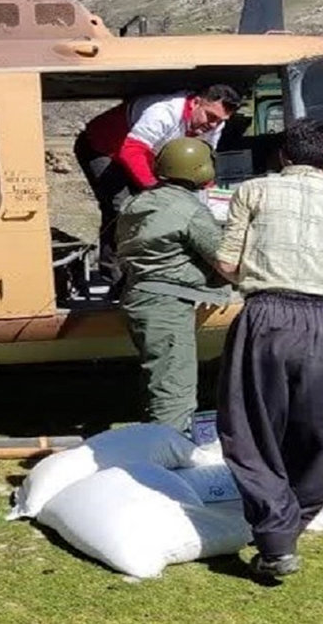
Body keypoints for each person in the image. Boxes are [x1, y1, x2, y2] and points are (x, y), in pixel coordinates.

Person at [213, 118, 323, 578]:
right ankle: (291, 523)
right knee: (314, 431)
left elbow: (226, 261)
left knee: (251, 428)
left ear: (283, 154)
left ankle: (276, 536)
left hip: (268, 314)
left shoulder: (254, 192)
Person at [74, 84, 242, 293]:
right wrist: (157, 190)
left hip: (149, 152)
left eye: (220, 120)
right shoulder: (164, 111)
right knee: (124, 209)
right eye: (210, 116)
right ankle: (116, 278)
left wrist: (211, 194)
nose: (213, 124)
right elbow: (132, 151)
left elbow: (201, 161)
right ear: (196, 102)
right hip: (104, 147)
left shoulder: (215, 124)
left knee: (172, 207)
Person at [115, 137, 232, 434]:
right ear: (201, 169)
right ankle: (169, 454)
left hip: (141, 296)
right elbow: (226, 260)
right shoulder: (189, 209)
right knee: (173, 391)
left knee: (160, 378)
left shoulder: (139, 201)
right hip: (167, 304)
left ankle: (158, 443)